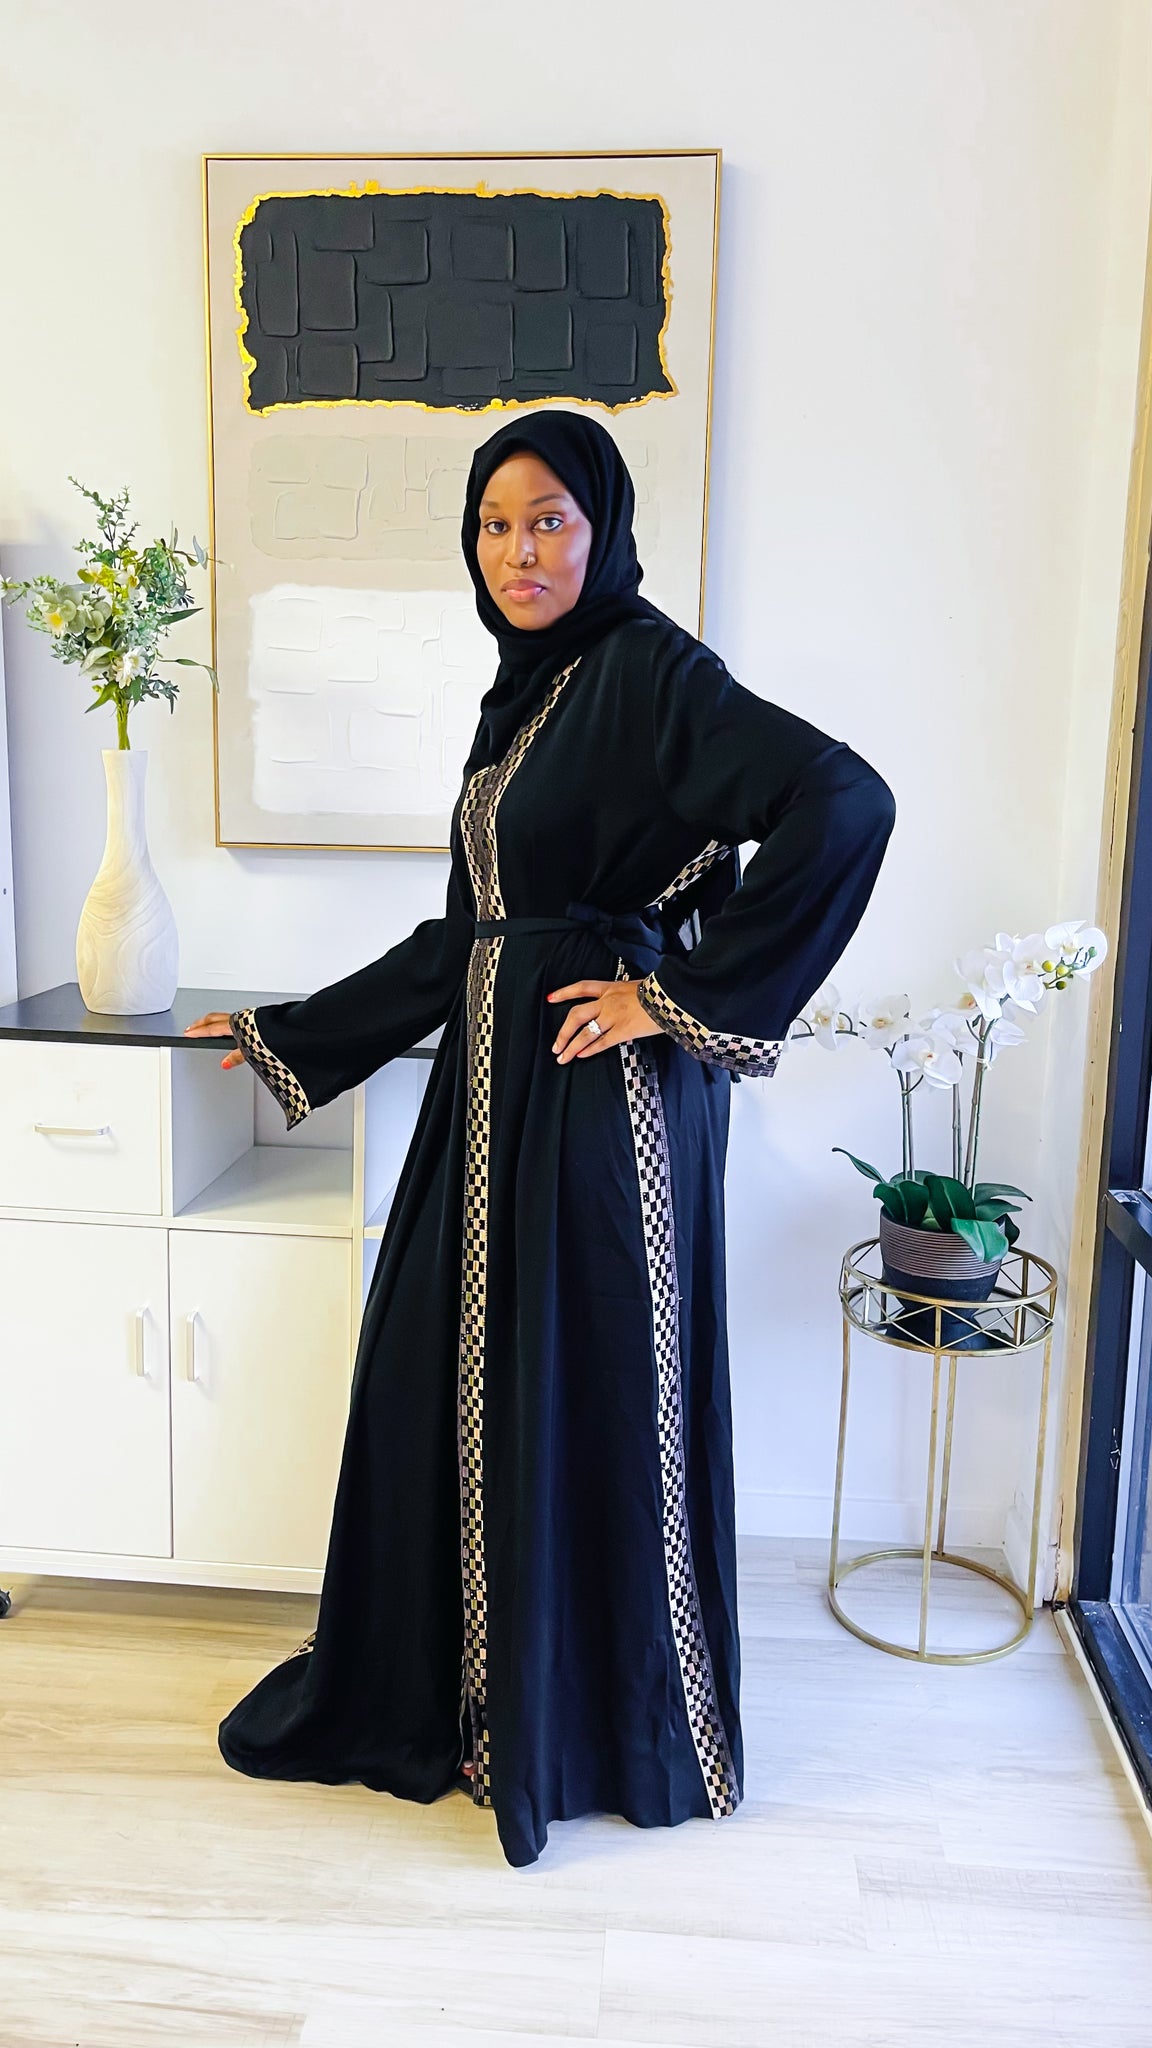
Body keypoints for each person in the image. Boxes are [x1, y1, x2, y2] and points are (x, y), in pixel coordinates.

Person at [185, 411, 896, 1869]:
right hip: (497, 1092)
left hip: (600, 1103)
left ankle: (596, 1727)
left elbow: (845, 801)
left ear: (604, 528)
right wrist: (293, 1029)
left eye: (551, 520)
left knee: (592, 1391)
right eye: (496, 525)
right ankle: (479, 1698)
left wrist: (673, 995)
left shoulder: (646, 672)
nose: (520, 551)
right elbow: (472, 938)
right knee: (464, 1378)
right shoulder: (528, 696)